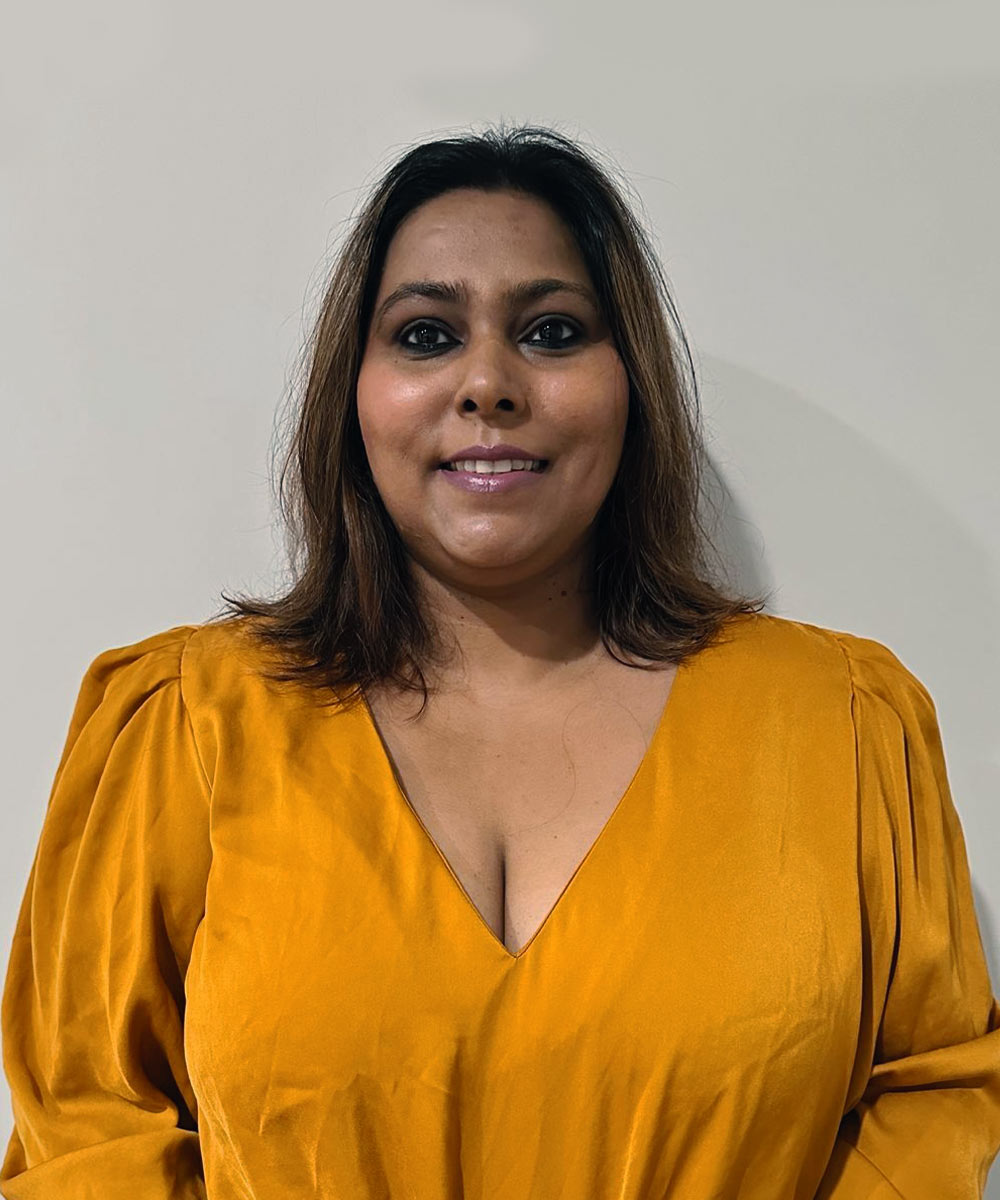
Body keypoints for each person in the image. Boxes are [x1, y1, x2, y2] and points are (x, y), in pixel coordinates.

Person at [1, 123, 998, 1199]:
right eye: (425, 335)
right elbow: (90, 1132)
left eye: (553, 331)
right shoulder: (184, 726)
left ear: (630, 384)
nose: (487, 382)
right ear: (353, 391)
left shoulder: (839, 723)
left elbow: (935, 1086)